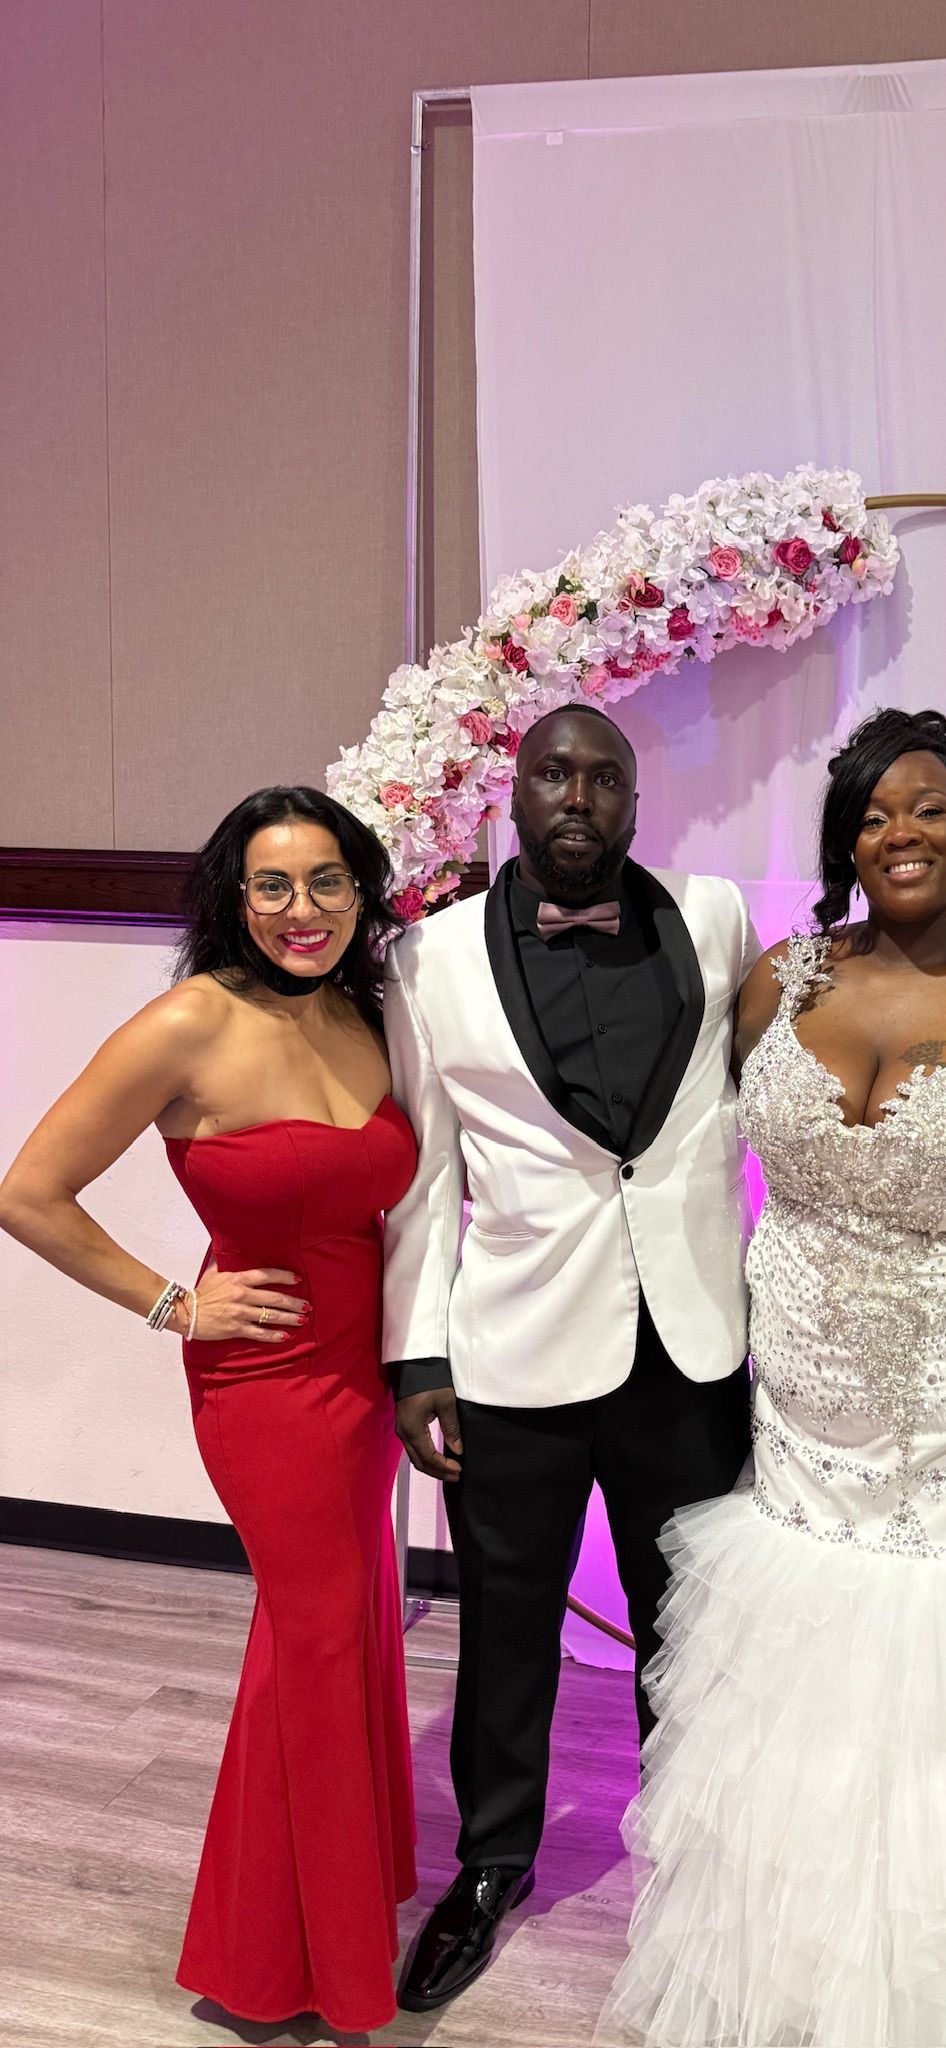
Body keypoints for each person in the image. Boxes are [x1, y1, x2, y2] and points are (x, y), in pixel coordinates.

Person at [605, 707, 946, 2048]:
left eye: (929, 806)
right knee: (805, 1661)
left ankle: (939, 1972)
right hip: (804, 1379)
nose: (903, 834)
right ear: (846, 841)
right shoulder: (781, 981)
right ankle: (792, 1941)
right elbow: (676, 1155)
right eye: (875, 814)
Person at [0, 787, 418, 2034]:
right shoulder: (190, 1019)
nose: (304, 909)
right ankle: (301, 1968)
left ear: (362, 890)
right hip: (266, 1382)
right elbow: (29, 1192)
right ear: (235, 895)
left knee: (333, 1634)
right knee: (325, 1632)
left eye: (329, 881)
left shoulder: (366, 1006)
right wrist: (173, 1303)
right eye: (275, 884)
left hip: (367, 1369)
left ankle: (294, 1922)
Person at [385, 702, 759, 2014]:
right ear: (516, 796)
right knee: (507, 1632)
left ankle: (703, 1861)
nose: (580, 796)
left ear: (637, 802)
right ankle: (490, 1867)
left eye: (605, 776)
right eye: (555, 773)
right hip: (511, 1358)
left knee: (697, 1632)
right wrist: (412, 1357)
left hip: (693, 1346)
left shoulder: (715, 921)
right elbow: (427, 1178)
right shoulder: (427, 962)